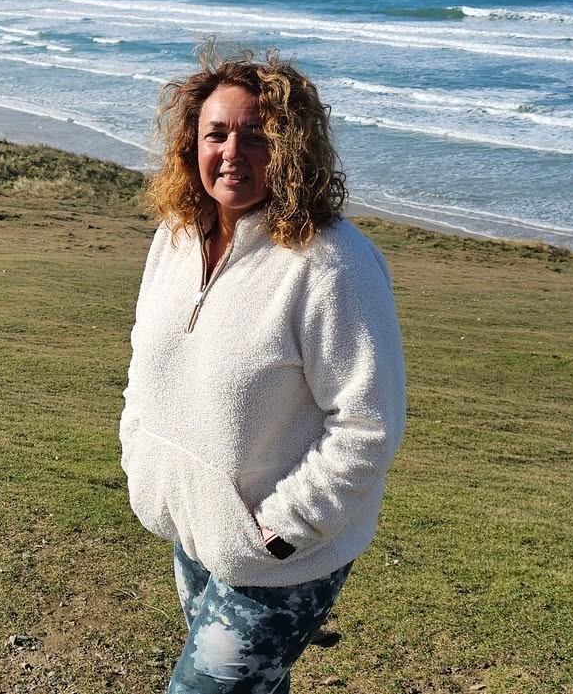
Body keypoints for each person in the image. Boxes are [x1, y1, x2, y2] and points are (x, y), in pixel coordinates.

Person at [120, 46, 406, 693]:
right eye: (216, 133)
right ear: (190, 141)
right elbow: (145, 356)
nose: (233, 153)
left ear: (292, 148)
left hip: (282, 558)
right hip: (195, 526)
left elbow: (367, 425)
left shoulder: (332, 266)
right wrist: (141, 454)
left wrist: (281, 531)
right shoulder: (174, 235)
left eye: (258, 137)